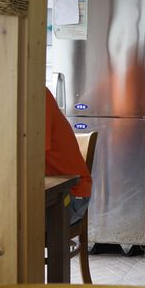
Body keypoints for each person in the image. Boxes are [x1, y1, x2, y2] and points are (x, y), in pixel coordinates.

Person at [45, 87, 92, 225]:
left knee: (13, 221)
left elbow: (30, 156)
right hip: (49, 193)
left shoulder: (35, 96)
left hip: (70, 196)